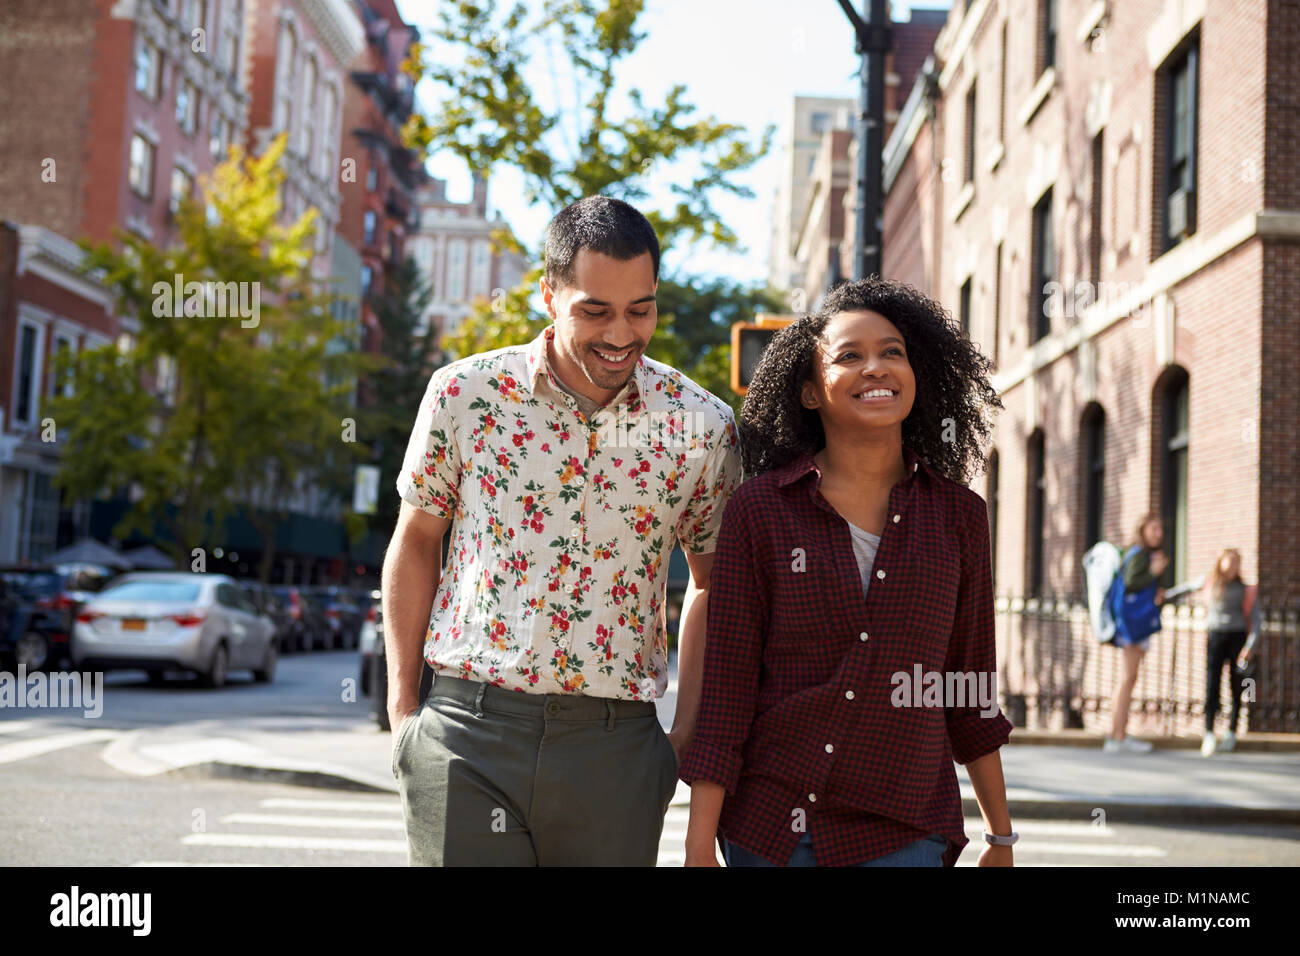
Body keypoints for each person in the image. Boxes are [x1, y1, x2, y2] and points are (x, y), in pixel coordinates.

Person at [384, 195, 741, 866]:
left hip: (615, 751)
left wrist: (683, 735)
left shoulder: (701, 424)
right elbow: (416, 540)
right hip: (467, 735)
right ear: (548, 294)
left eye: (641, 309)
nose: (621, 334)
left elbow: (712, 586)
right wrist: (405, 714)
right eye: (595, 311)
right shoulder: (466, 394)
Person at [676, 277, 1016, 867]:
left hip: (905, 826)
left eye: (892, 352)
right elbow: (729, 689)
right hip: (770, 826)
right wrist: (698, 843)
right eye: (850, 356)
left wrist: (1001, 836)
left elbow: (971, 689)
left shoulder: (960, 517)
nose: (877, 368)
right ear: (810, 392)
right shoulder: (760, 510)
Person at [1103, 515, 1166, 753]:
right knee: (1127, 679)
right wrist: (1154, 572)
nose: (1159, 533)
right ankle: (1116, 736)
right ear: (1143, 530)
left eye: (1160, 528)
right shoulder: (1140, 554)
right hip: (1132, 626)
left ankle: (1119, 734)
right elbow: (1131, 583)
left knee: (1129, 679)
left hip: (1132, 624)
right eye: (1154, 528)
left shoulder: (1137, 554)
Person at [1198, 548, 1260, 756]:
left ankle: (1232, 731)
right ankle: (1209, 732)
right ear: (1221, 562)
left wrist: (1249, 647)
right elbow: (1184, 588)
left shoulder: (1245, 589)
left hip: (1238, 638)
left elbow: (1257, 621)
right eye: (1229, 562)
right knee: (1212, 683)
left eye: (1236, 562)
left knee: (1238, 685)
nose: (1233, 566)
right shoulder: (1210, 582)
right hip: (1216, 637)